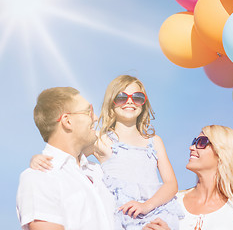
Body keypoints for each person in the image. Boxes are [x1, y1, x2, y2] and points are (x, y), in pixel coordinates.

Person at [31, 75, 183, 230]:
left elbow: (171, 184)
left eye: (137, 97)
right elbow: (67, 153)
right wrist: (39, 158)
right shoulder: (101, 140)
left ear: (143, 104)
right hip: (121, 216)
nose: (130, 101)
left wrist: (146, 206)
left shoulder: (154, 141)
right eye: (122, 97)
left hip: (154, 211)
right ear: (111, 103)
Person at [143, 125, 233, 230]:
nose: (191, 147)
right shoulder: (173, 201)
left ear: (222, 154)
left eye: (201, 142)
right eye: (194, 142)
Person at [16, 87, 115, 230]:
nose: (96, 117)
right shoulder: (39, 178)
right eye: (89, 111)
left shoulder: (99, 172)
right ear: (67, 121)